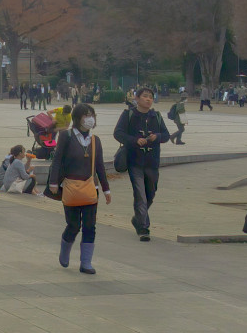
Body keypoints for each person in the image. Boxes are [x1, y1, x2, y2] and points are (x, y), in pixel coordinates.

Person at [47, 102, 112, 274]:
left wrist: (106, 189)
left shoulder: (95, 140)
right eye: (86, 115)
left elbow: (99, 166)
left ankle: (86, 263)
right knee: (74, 225)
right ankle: (65, 250)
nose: (90, 119)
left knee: (90, 226)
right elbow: (57, 160)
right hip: (70, 187)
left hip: (90, 188)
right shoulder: (66, 136)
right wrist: (53, 182)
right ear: (77, 118)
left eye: (92, 115)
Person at [114, 86, 169, 241]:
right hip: (135, 162)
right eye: (145, 96)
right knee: (140, 194)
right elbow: (118, 133)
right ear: (137, 99)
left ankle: (138, 218)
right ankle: (144, 227)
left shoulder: (156, 116)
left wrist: (157, 137)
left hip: (152, 162)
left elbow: (166, 135)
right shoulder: (128, 115)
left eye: (150, 97)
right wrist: (134, 140)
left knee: (151, 193)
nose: (148, 99)